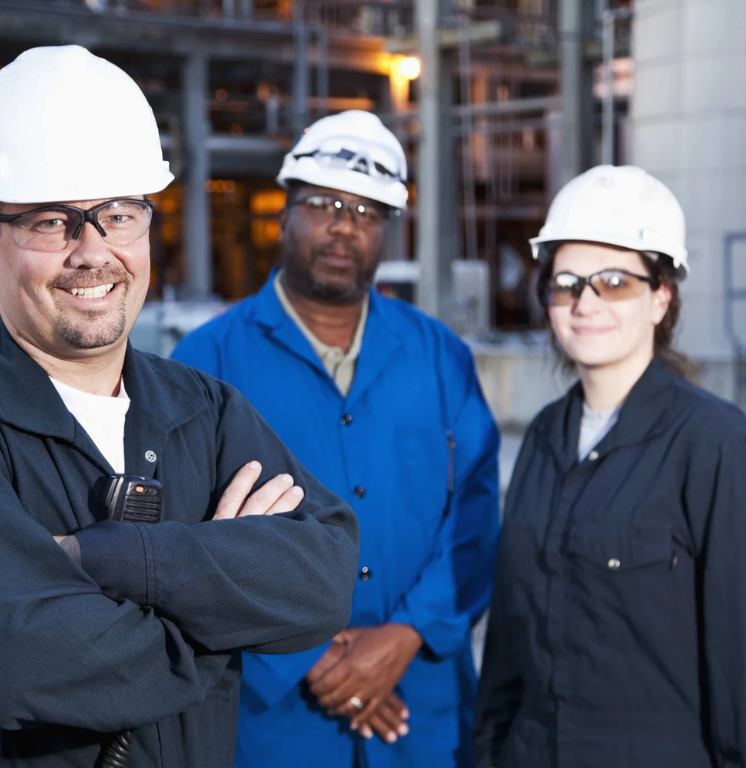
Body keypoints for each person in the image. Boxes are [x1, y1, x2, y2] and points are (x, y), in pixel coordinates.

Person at [0, 45, 359, 768]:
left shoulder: (201, 411)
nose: (93, 252)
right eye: (52, 222)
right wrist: (214, 613)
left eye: (117, 215)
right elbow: (7, 666)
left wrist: (110, 560)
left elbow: (325, 576)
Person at [172, 110, 501, 768]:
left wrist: (406, 635)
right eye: (323, 203)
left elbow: (475, 509)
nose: (344, 224)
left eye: (367, 210)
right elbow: (185, 540)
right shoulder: (206, 362)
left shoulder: (438, 355)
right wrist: (305, 659)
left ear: (387, 231)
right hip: (272, 723)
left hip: (421, 711)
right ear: (285, 212)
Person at [474, 164, 746, 768]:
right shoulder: (544, 436)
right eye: (566, 282)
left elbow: (737, 663)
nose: (585, 302)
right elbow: (508, 641)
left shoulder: (715, 445)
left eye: (615, 281)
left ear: (660, 297)